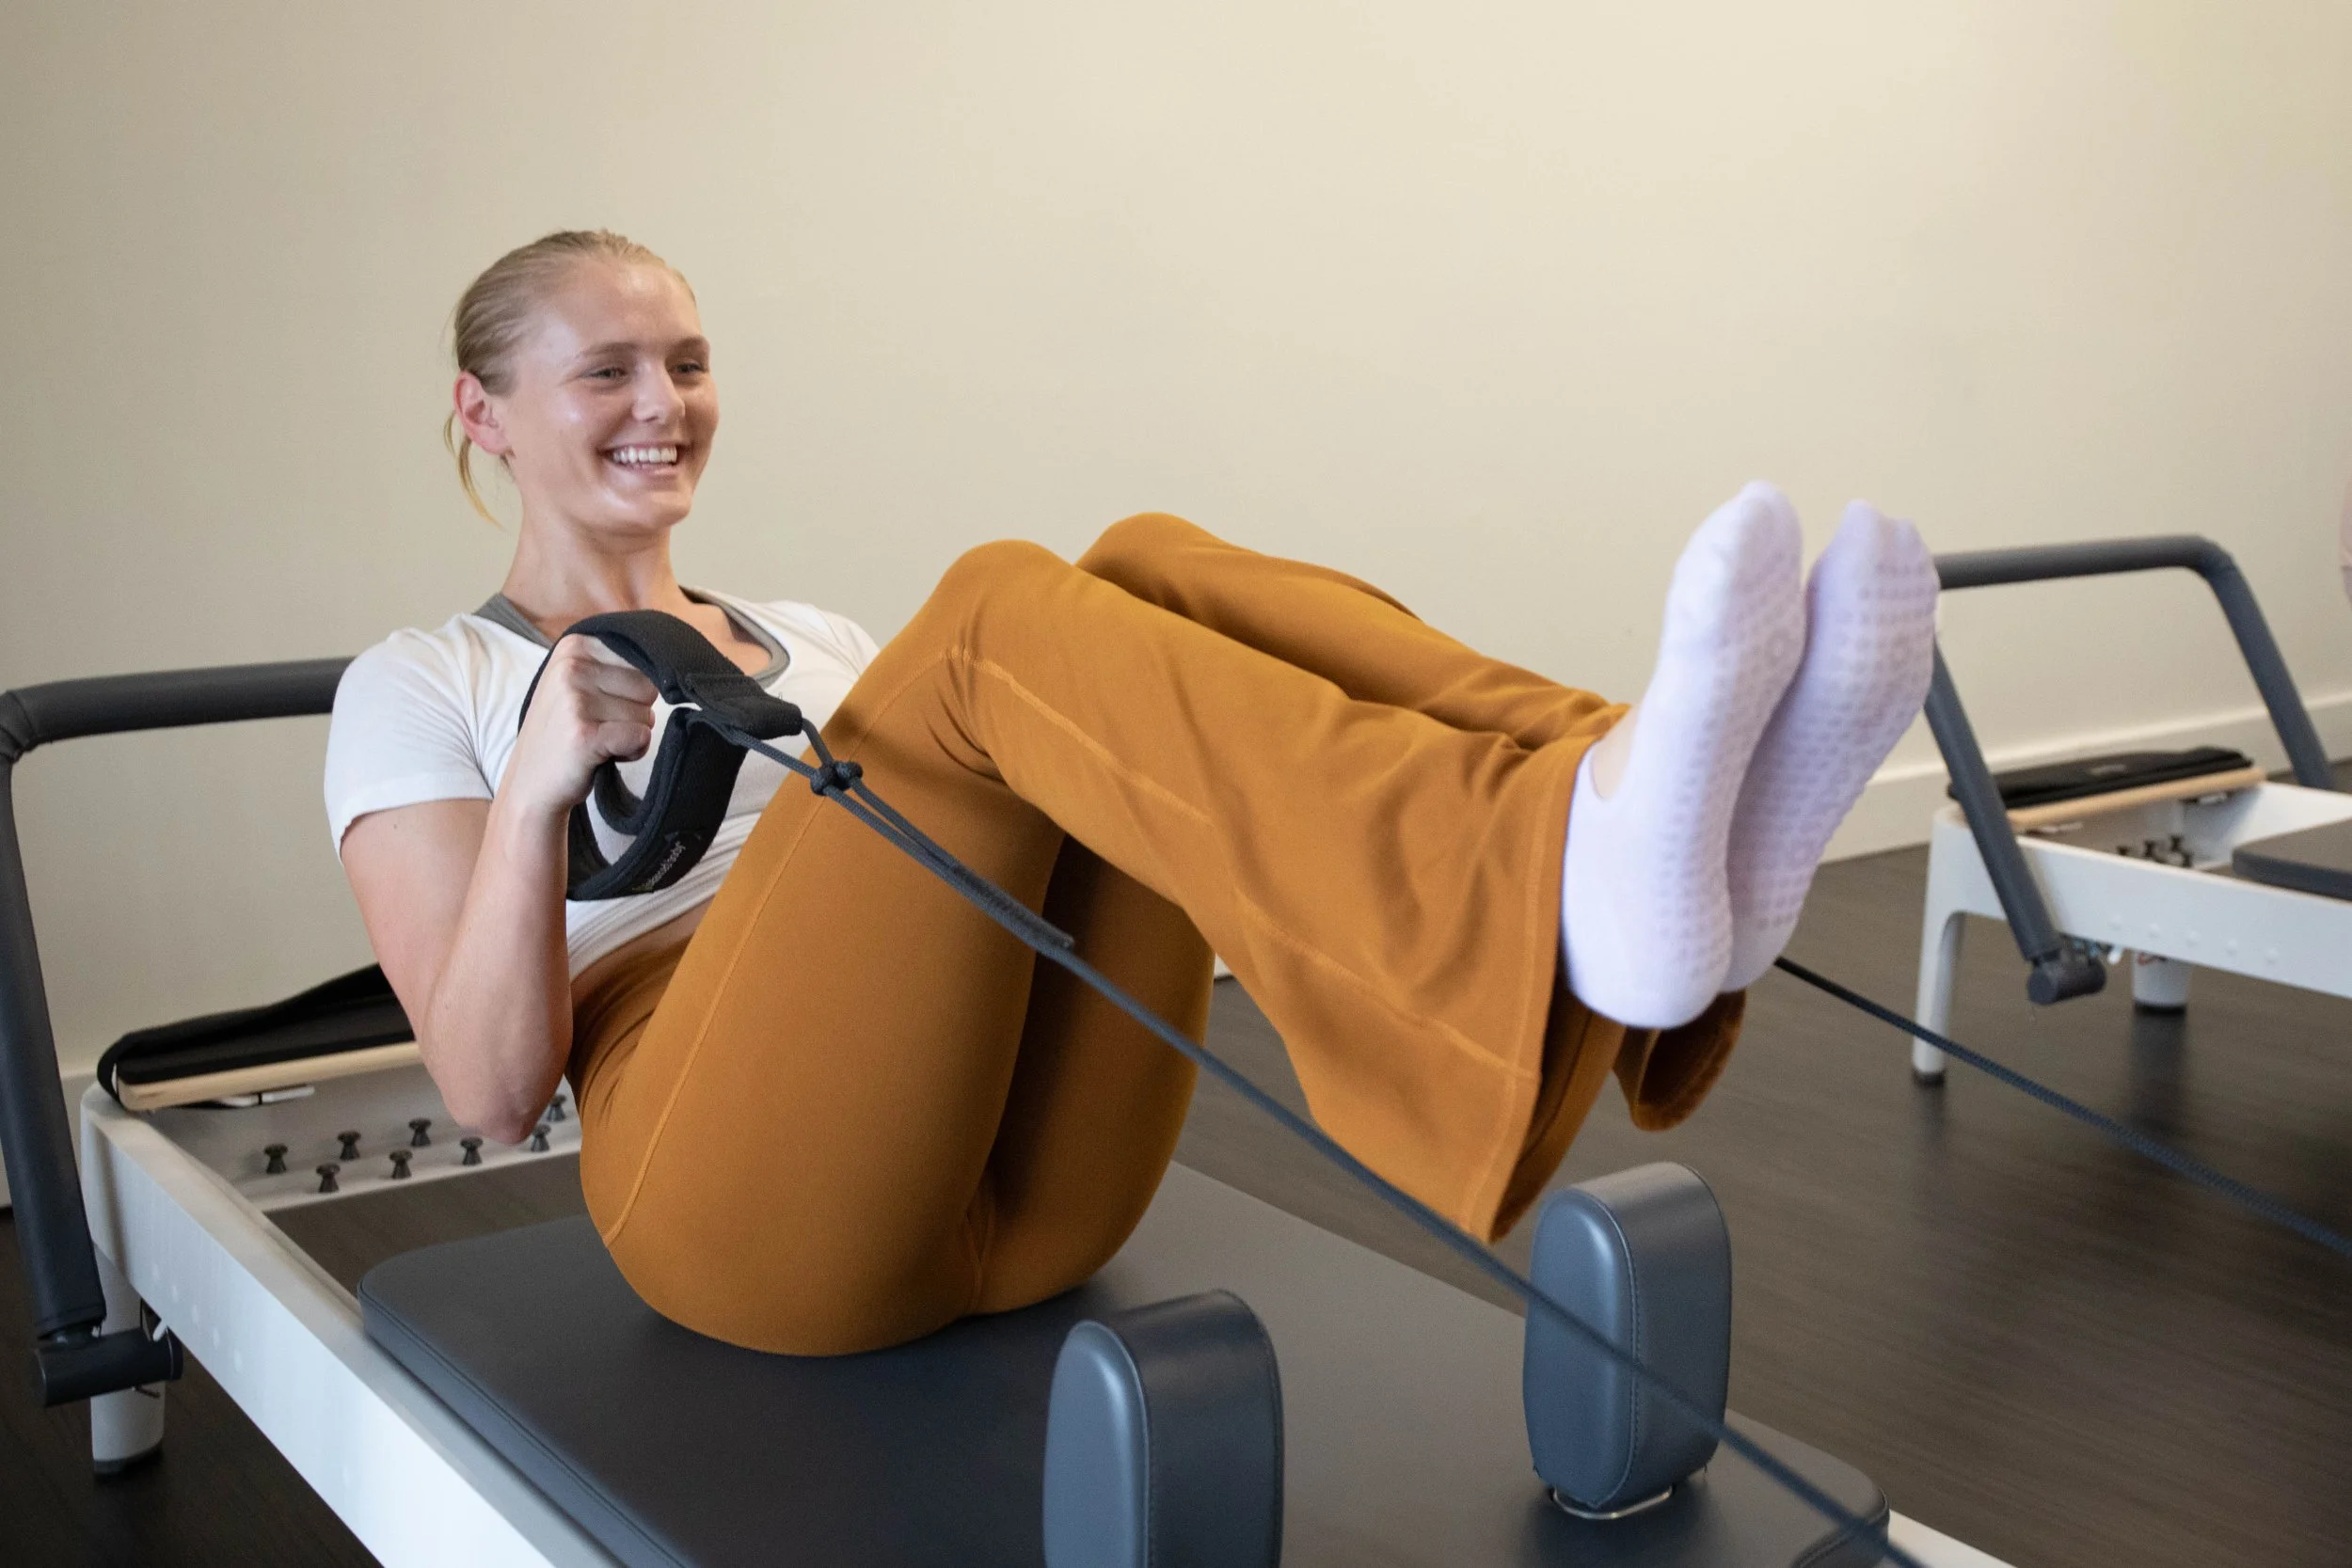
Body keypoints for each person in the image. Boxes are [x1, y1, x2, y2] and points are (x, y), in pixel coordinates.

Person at [327, 230, 1937, 1356]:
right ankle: (1563, 860)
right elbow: (488, 1092)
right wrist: (537, 785)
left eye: (685, 362)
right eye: (605, 371)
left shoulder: (816, 641)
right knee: (995, 608)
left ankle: (1613, 786)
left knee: (1146, 564)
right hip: (732, 1210)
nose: (663, 405)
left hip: (1036, 1189)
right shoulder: (421, 682)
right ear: (484, 412)